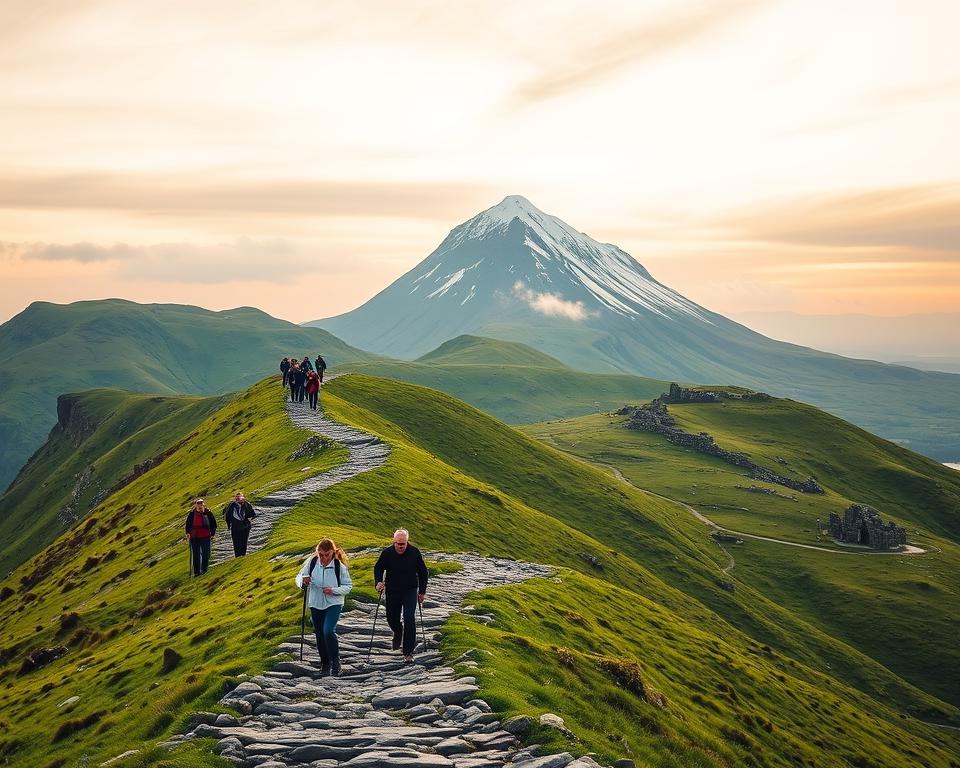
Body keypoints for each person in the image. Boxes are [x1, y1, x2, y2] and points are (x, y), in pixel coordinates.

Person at [295, 538, 353, 676]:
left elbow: (348, 586)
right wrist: (303, 581)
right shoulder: (312, 562)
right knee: (319, 632)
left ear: (332, 553)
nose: (323, 558)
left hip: (334, 603)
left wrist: (333, 590)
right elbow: (299, 577)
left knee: (328, 631)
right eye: (320, 554)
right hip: (315, 602)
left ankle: (336, 661)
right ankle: (325, 663)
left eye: (326, 555)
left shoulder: (339, 567)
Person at [374, 528, 428, 663]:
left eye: (402, 544)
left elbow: (423, 572)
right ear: (394, 541)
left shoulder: (414, 552)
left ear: (407, 542)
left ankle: (408, 652)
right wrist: (378, 582)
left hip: (410, 589)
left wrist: (422, 592)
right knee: (392, 619)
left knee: (409, 618)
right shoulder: (387, 553)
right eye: (397, 544)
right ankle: (398, 631)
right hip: (392, 590)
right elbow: (378, 567)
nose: (400, 546)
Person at [184, 498, 217, 576]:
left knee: (206, 553)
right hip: (194, 537)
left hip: (205, 537)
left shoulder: (208, 513)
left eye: (201, 504)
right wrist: (188, 533)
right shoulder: (192, 514)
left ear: (203, 505)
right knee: (196, 555)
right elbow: (188, 524)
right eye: (198, 504)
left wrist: (212, 534)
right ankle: (196, 572)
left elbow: (213, 524)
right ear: (196, 505)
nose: (200, 506)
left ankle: (204, 569)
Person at [224, 491, 257, 557]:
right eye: (237, 499)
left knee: (244, 542)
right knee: (236, 543)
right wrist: (229, 525)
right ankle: (237, 556)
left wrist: (249, 520)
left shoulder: (247, 504)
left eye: (241, 498)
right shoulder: (231, 505)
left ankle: (243, 555)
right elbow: (227, 515)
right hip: (235, 528)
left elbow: (253, 514)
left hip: (245, 527)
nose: (240, 500)